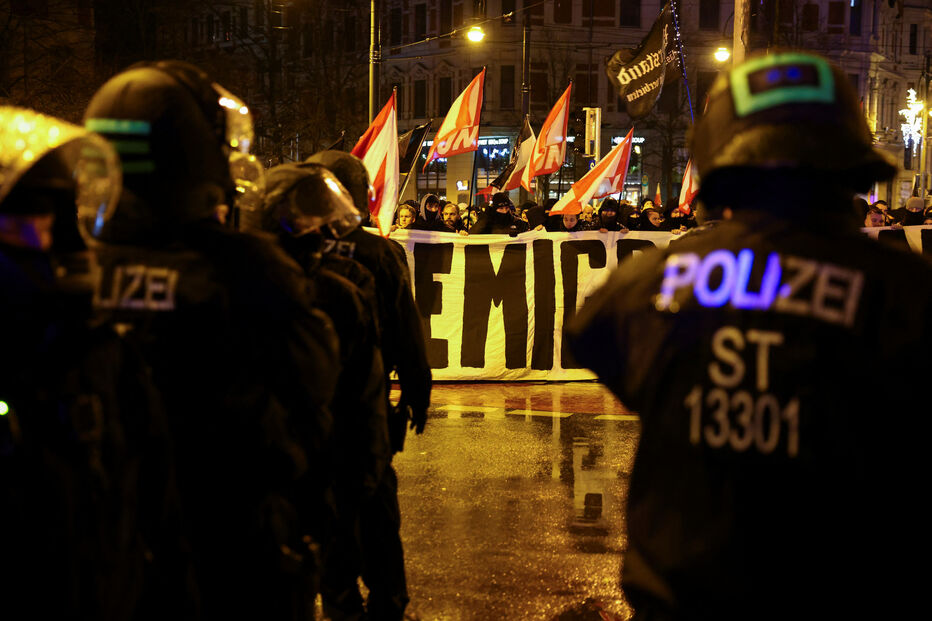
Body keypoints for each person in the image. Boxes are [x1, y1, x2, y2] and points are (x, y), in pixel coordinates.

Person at [566, 51, 931, 620]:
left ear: (718, 161)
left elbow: (593, 339)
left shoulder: (652, 281)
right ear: (852, 163)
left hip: (681, 596)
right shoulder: (907, 291)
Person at [84, 61, 341, 620]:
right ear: (196, 158)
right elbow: (312, 391)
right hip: (232, 540)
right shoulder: (248, 269)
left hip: (110, 548)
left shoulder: (72, 266)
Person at [0, 107, 194, 619]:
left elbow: (155, 496)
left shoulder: (98, 344)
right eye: (32, 216)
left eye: (63, 214)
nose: (60, 239)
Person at [256, 162, 393, 621]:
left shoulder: (341, 290)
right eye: (310, 225)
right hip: (284, 470)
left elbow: (362, 386)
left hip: (320, 462)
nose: (320, 237)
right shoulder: (243, 287)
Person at [306, 149, 432, 621]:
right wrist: (417, 392)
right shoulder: (381, 253)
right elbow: (405, 329)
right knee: (376, 504)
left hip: (311, 405)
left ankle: (340, 602)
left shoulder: (291, 248)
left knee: (324, 509)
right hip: (365, 399)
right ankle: (386, 601)